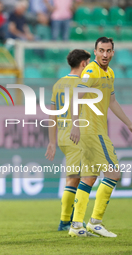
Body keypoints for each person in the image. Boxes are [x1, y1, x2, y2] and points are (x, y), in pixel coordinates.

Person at [69, 37, 132, 237]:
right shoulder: (91, 71)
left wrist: (129, 123)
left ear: (113, 53)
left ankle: (76, 226)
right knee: (114, 173)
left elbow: (112, 101)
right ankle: (95, 222)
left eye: (108, 51)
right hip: (92, 131)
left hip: (96, 131)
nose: (105, 54)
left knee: (89, 177)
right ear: (94, 52)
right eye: (101, 50)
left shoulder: (110, 73)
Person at [45, 49, 91, 231]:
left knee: (75, 177)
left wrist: (51, 141)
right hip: (76, 135)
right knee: (74, 179)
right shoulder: (83, 84)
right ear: (84, 64)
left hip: (63, 136)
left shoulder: (58, 84)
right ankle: (65, 221)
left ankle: (68, 219)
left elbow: (52, 115)